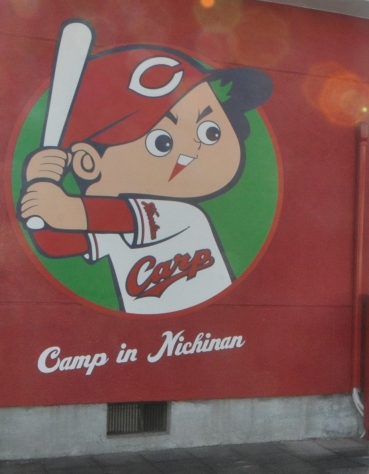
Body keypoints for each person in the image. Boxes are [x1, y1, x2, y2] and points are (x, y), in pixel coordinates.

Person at [18, 38, 272, 314]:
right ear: (87, 163)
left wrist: (50, 200)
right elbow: (56, 244)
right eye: (162, 142)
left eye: (211, 132)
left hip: (202, 328)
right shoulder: (117, 227)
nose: (192, 149)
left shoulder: (181, 216)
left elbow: (81, 215)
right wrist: (38, 185)